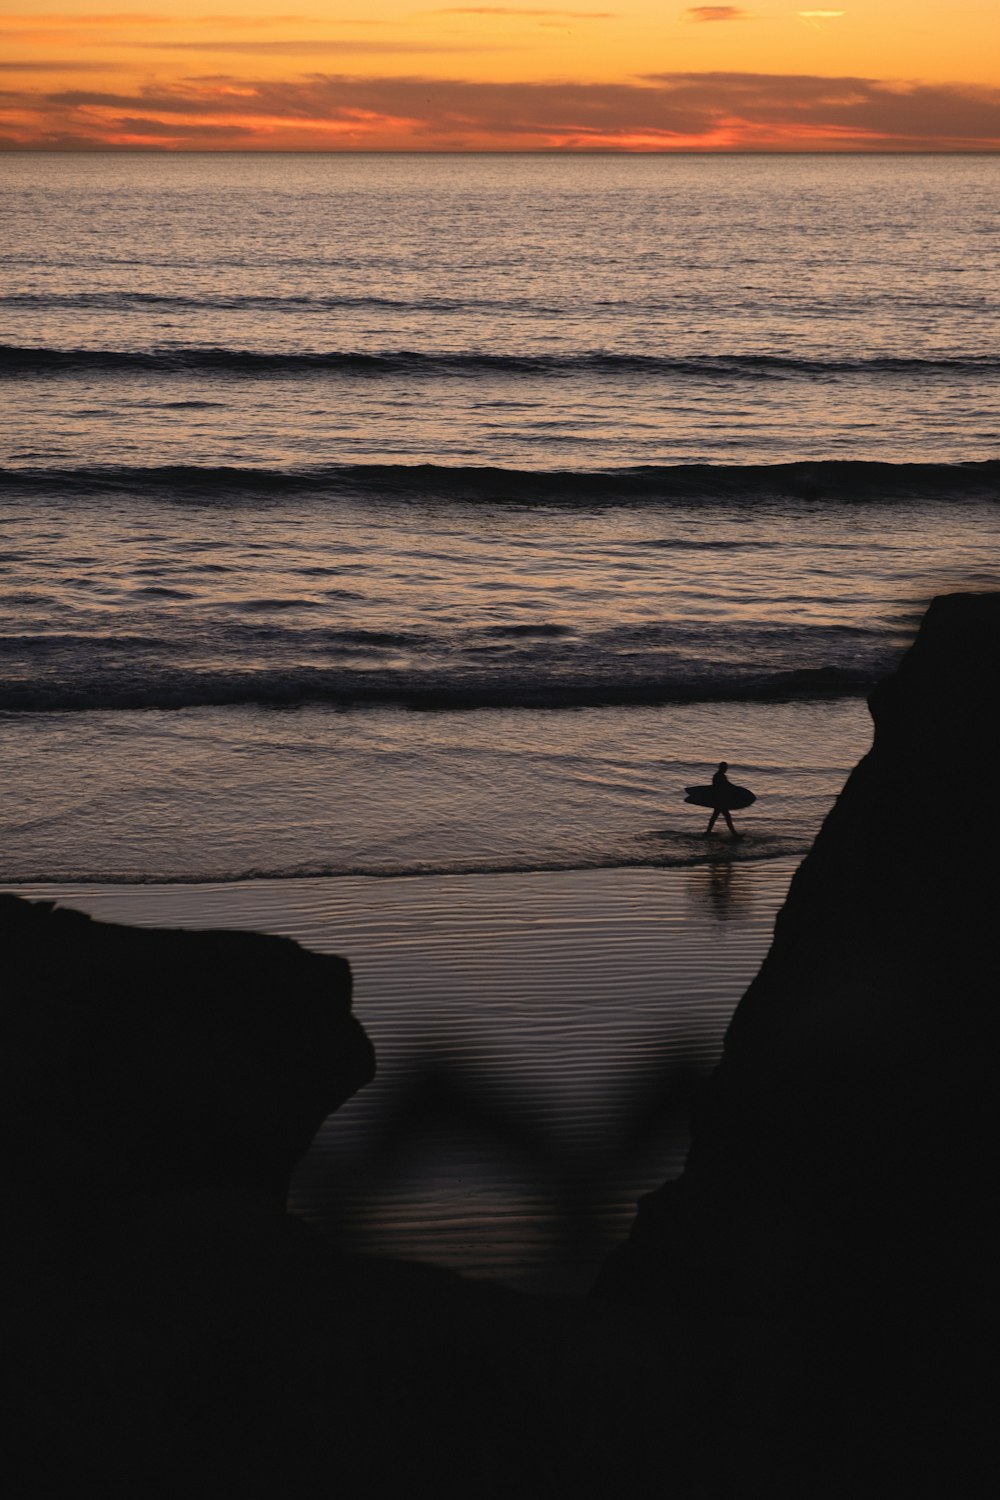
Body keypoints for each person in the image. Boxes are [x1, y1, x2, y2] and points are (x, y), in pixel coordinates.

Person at [706, 761, 741, 837]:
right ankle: (735, 834)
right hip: (720, 800)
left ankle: (707, 832)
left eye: (726, 768)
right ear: (722, 768)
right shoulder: (720, 776)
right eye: (725, 768)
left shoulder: (716, 776)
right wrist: (736, 790)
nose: (726, 769)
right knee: (726, 817)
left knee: (715, 817)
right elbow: (726, 786)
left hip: (719, 800)